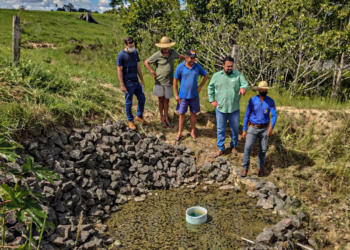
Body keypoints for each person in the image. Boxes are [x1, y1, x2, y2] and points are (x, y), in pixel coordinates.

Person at [208, 56, 249, 157]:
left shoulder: (238, 75)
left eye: (231, 66)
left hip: (234, 109)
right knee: (220, 129)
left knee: (235, 129)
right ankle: (221, 148)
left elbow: (245, 84)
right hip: (221, 108)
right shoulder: (216, 76)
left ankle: (233, 146)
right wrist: (211, 100)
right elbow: (210, 87)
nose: (230, 68)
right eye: (228, 66)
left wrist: (243, 88)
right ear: (223, 65)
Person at [144, 37, 186, 128]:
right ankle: (162, 118)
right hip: (159, 81)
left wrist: (188, 58)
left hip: (169, 81)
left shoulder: (173, 53)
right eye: (164, 46)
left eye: (167, 46)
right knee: (160, 100)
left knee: (167, 101)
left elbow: (181, 57)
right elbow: (146, 62)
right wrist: (152, 71)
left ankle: (166, 118)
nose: (165, 48)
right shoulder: (158, 54)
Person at [241, 81, 277, 177]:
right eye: (261, 89)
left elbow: (274, 115)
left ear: (267, 90)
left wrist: (271, 126)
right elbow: (247, 115)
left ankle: (260, 168)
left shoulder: (270, 101)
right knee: (247, 147)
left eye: (265, 89)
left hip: (264, 128)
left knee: (263, 149)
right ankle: (245, 168)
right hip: (253, 127)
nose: (263, 91)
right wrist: (244, 129)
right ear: (259, 90)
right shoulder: (252, 100)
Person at [173, 50, 209, 141]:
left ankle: (192, 131)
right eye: (191, 58)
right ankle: (180, 132)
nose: (193, 59)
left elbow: (206, 75)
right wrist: (176, 95)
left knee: (193, 113)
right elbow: (175, 81)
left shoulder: (197, 66)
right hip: (183, 95)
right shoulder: (180, 67)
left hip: (194, 95)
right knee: (182, 114)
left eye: (194, 58)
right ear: (186, 57)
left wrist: (200, 86)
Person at [116, 37, 148, 130]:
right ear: (125, 45)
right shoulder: (121, 55)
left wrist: (141, 79)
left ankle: (139, 116)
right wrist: (122, 84)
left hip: (136, 81)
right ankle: (130, 120)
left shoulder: (135, 53)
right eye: (130, 46)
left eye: (133, 46)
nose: (132, 47)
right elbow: (119, 70)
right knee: (128, 102)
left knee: (142, 98)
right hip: (127, 82)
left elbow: (138, 66)